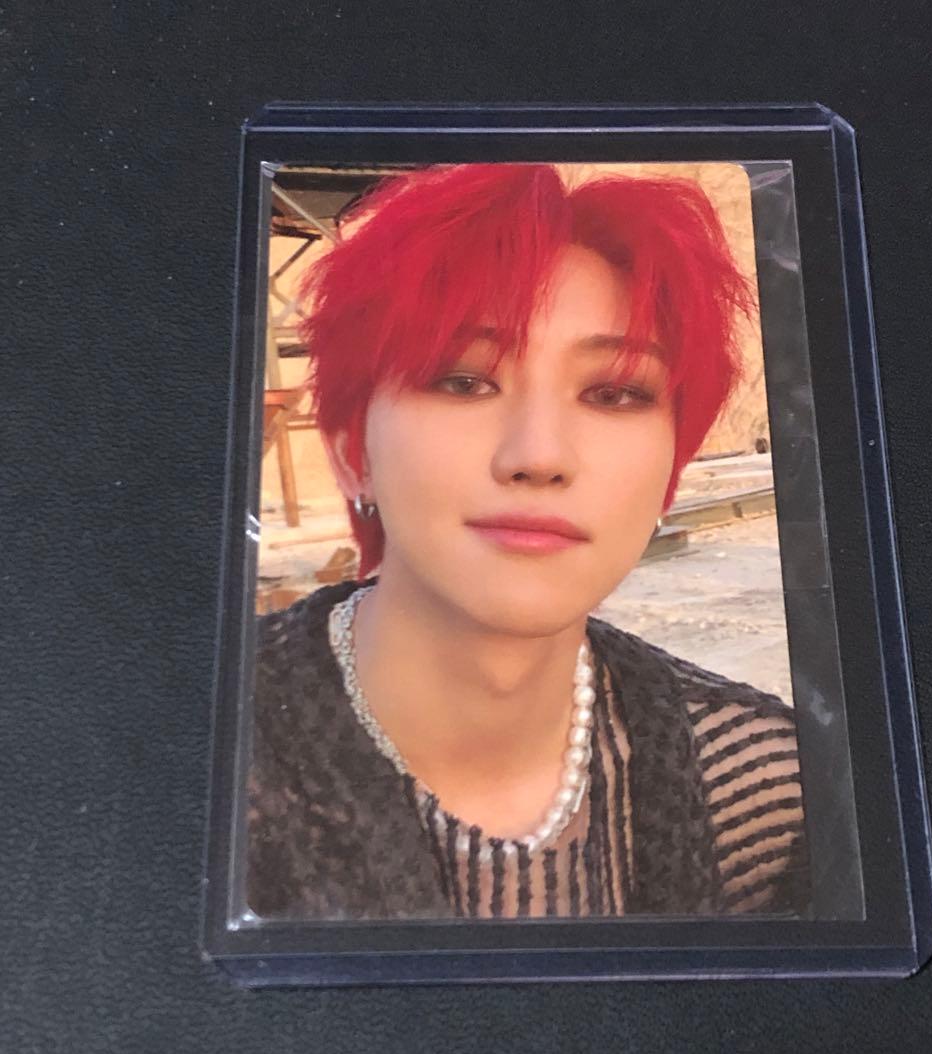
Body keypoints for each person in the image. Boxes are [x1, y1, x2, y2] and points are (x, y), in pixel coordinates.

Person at [245, 163, 809, 920]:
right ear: (353, 450)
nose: (539, 455)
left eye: (615, 392)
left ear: (669, 472)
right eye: (463, 381)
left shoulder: (763, 793)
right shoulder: (197, 752)